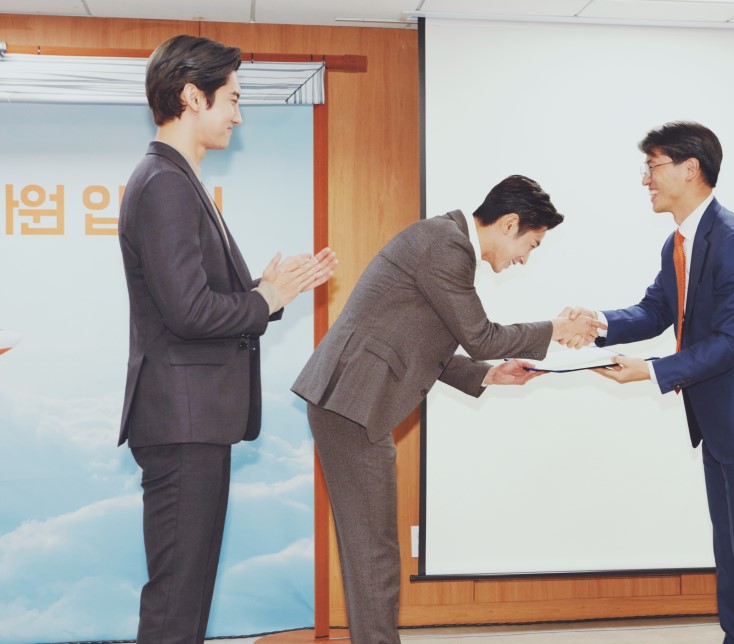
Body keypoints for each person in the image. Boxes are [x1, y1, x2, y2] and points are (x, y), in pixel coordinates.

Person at [292, 175, 602, 644]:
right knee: (373, 552)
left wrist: (487, 376)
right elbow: (481, 336)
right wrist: (557, 328)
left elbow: (422, 341)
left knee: (370, 549)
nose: (525, 259)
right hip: (352, 404)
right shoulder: (447, 245)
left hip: (352, 403)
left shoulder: (443, 241)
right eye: (532, 245)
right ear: (510, 223)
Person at [117, 34, 337, 644]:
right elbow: (187, 311)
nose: (239, 115)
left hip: (192, 421)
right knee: (176, 598)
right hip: (182, 423)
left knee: (186, 593)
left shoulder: (174, 178)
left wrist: (266, 292)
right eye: (233, 99)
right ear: (193, 97)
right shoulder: (164, 182)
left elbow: (192, 300)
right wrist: (265, 299)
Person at [562, 121, 734, 644]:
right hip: (721, 424)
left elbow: (733, 341)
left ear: (690, 168)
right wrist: (597, 322)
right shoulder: (680, 242)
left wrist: (652, 371)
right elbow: (656, 310)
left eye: (652, 167)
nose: (645, 180)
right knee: (732, 556)